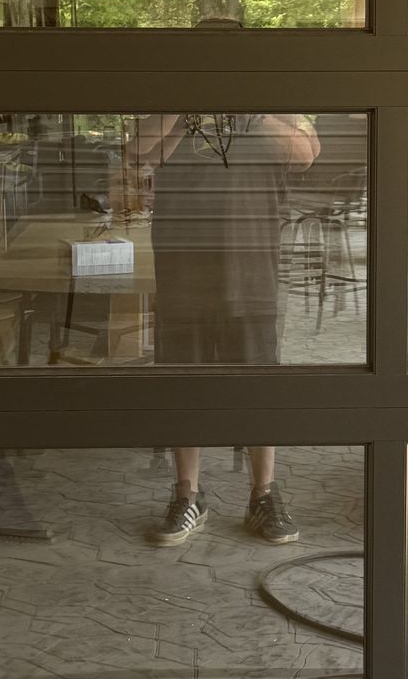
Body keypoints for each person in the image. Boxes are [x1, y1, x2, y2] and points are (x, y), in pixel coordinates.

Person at [134, 107, 318, 546]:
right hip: (183, 265)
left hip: (250, 266)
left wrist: (254, 108)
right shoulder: (176, 106)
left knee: (259, 379)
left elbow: (306, 153)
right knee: (183, 377)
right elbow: (138, 151)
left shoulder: (270, 107)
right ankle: (187, 495)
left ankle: (263, 495)